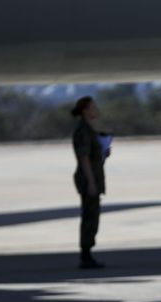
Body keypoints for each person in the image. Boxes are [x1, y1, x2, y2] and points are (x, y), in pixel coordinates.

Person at [71, 96, 109, 269]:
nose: (96, 110)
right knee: (89, 217)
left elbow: (92, 157)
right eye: (93, 107)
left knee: (92, 216)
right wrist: (91, 182)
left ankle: (87, 253)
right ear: (85, 110)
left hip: (92, 177)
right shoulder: (83, 131)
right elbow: (84, 158)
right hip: (88, 180)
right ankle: (85, 255)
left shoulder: (89, 129)